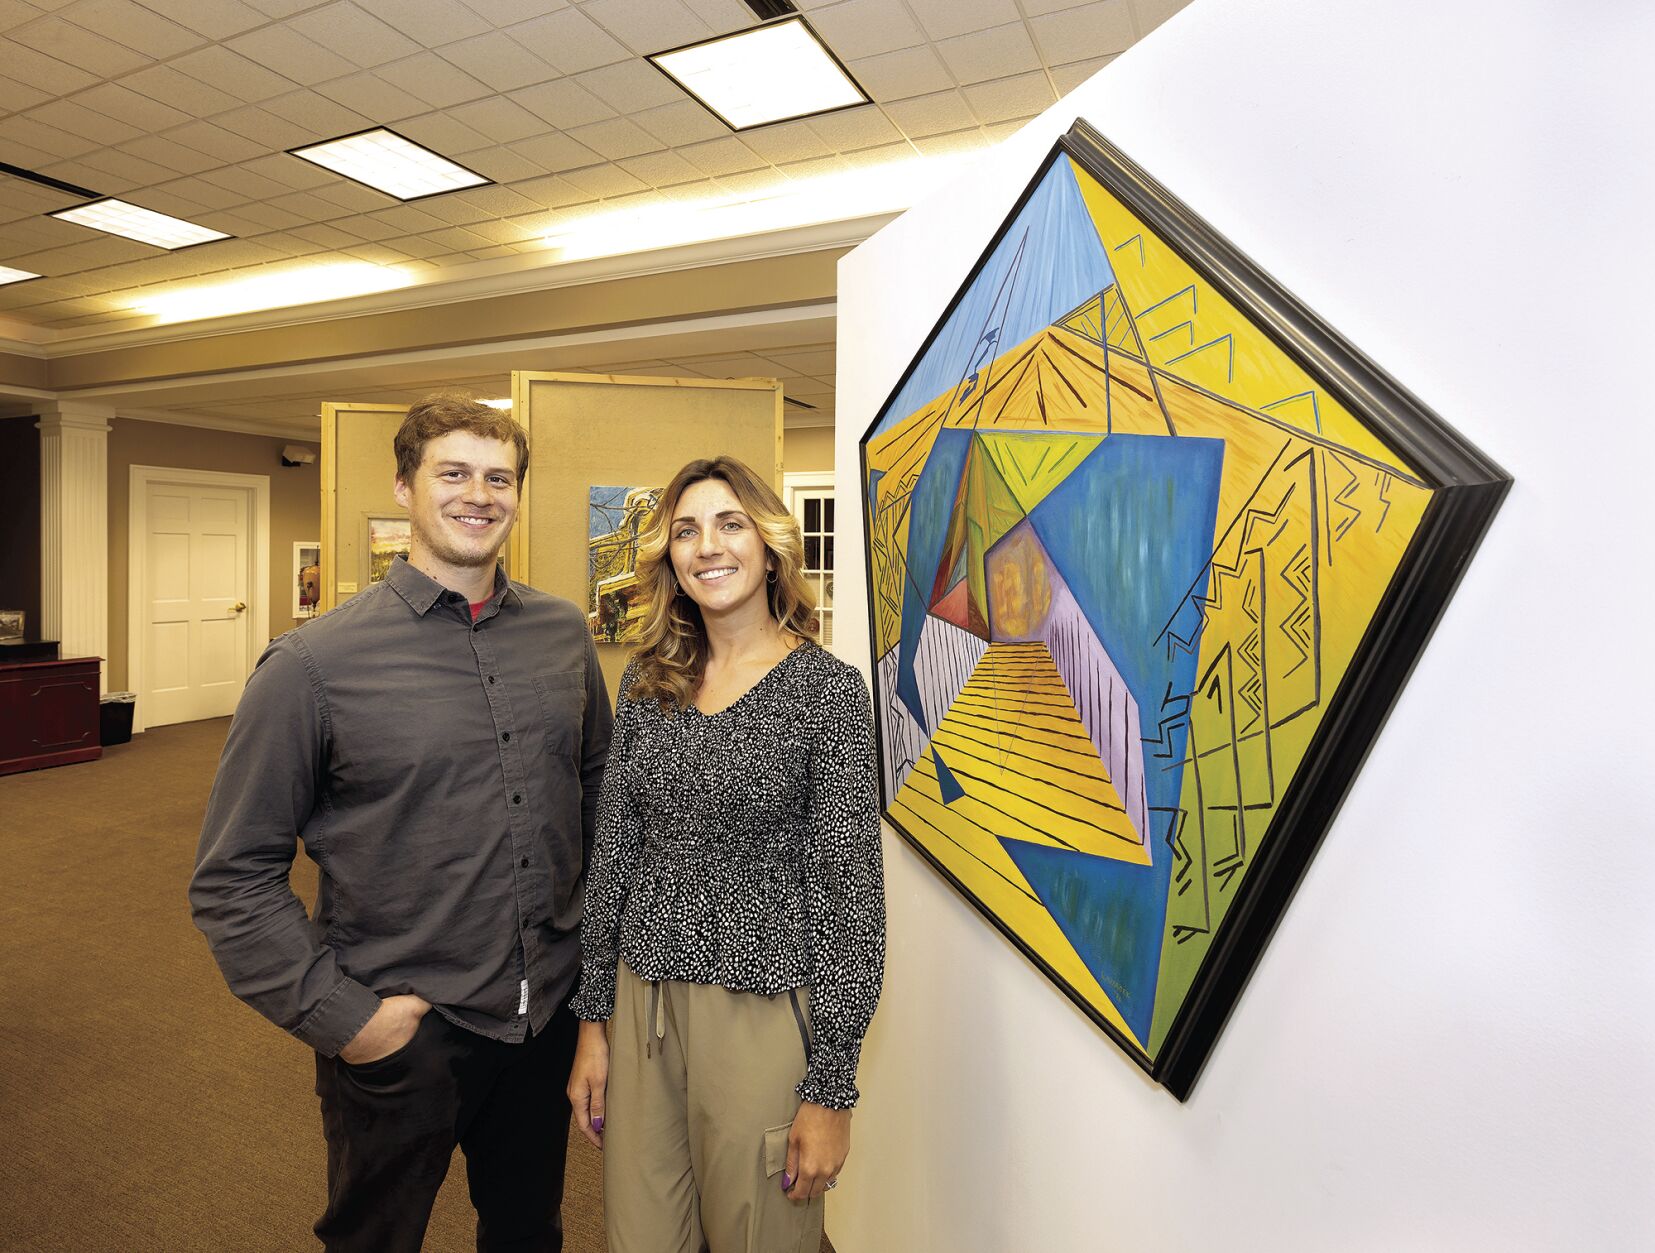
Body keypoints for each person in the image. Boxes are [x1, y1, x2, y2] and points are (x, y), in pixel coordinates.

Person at [190, 393, 611, 1253]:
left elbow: (597, 802)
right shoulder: (313, 664)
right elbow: (233, 877)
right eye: (452, 472)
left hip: (543, 1018)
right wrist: (348, 1019)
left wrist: (595, 992)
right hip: (405, 1031)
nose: (478, 494)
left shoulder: (565, 634)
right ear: (405, 486)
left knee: (529, 1230)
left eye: (499, 477)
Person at [566, 455, 885, 1253]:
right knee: (640, 1236)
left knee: (759, 1236)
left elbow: (851, 897)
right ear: (668, 557)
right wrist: (592, 1023)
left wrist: (831, 1086)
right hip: (643, 1006)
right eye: (685, 530)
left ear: (770, 546)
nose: (707, 545)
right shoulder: (647, 680)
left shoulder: (827, 693)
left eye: (729, 523)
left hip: (761, 1011)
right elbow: (614, 857)